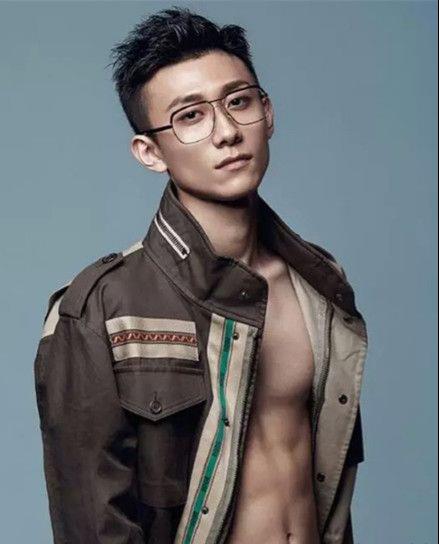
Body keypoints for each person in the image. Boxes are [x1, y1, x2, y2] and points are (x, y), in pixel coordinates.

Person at [34, 6, 368, 544]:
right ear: (150, 152)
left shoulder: (319, 284)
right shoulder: (99, 310)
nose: (227, 132)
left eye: (238, 102)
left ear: (268, 112)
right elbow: (91, 524)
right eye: (190, 116)